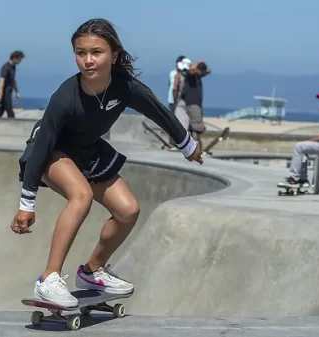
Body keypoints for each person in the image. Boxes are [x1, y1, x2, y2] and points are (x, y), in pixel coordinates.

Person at [10, 18, 203, 308]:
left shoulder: (125, 87)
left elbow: (159, 112)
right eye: (80, 52)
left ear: (113, 55)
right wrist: (27, 204)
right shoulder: (65, 97)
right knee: (81, 196)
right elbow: (44, 143)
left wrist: (188, 146)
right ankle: (48, 279)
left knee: (128, 210)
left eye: (96, 52)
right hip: (52, 150)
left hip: (88, 151)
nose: (87, 60)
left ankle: (92, 271)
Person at [181, 60, 211, 151]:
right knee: (196, 128)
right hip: (194, 105)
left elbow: (209, 71)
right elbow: (192, 71)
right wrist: (195, 67)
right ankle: (195, 151)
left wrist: (199, 67)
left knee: (193, 128)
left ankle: (193, 149)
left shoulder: (197, 76)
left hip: (192, 104)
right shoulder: (191, 75)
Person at [0, 50, 24, 118]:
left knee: (0, 110)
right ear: (14, 58)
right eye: (19, 59)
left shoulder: (13, 67)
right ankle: (14, 123)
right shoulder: (6, 67)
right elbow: (1, 80)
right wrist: (0, 94)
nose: (20, 61)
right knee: (9, 109)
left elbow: (12, 80)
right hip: (4, 92)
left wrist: (17, 92)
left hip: (9, 91)